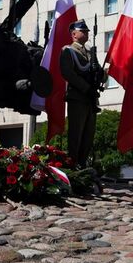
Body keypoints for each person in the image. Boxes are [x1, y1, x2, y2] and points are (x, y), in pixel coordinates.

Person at [59, 20, 103, 166]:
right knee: (76, 134)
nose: (86, 33)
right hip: (78, 97)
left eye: (87, 31)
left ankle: (83, 164)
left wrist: (102, 73)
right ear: (74, 34)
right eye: (83, 31)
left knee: (88, 135)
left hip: (91, 99)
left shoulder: (90, 52)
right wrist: (86, 88)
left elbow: (97, 75)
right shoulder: (68, 51)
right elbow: (68, 73)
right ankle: (73, 165)